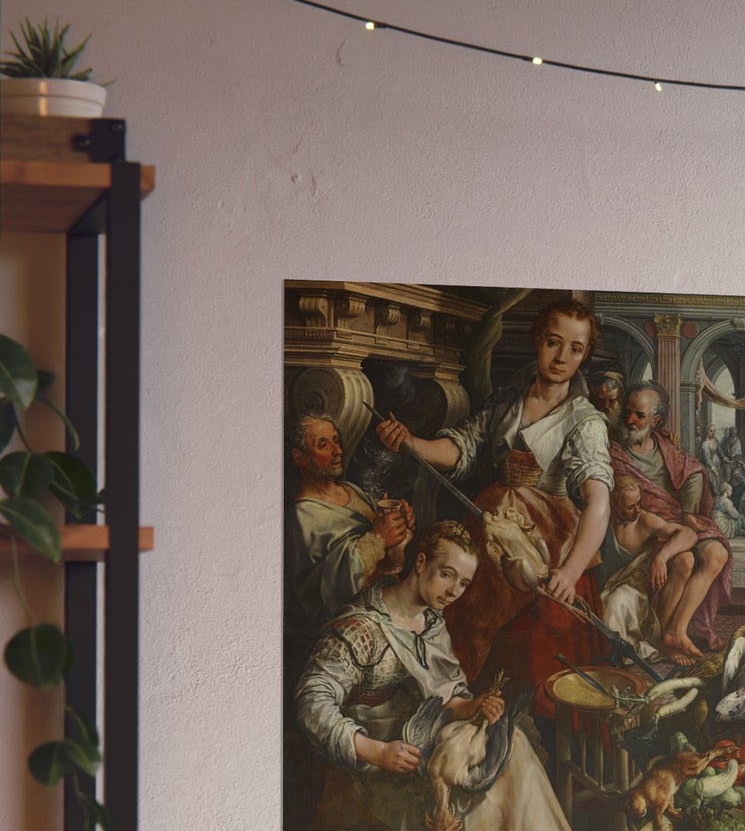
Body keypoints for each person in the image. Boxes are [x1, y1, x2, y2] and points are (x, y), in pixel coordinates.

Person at [295, 521, 597, 831]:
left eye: (464, 583)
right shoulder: (361, 627)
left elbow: (446, 694)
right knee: (446, 783)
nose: (454, 590)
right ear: (420, 562)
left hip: (420, 732)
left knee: (509, 741)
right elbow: (311, 702)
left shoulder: (432, 622)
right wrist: (376, 751)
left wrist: (473, 705)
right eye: (446, 575)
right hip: (372, 755)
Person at [375, 298, 613, 701]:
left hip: (548, 548)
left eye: (575, 349)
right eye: (554, 342)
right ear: (538, 341)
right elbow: (464, 446)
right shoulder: (509, 398)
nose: (561, 357)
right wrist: (411, 443)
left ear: (585, 353)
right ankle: (451, 703)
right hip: (489, 529)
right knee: (458, 613)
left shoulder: (585, 421)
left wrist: (569, 573)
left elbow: (599, 502)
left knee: (532, 653)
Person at [606, 381, 731, 660]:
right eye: (628, 412)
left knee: (716, 553)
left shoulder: (664, 446)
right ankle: (666, 635)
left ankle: (676, 630)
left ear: (656, 420)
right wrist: (662, 553)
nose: (630, 420)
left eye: (640, 415)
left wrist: (688, 511)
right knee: (683, 560)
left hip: (676, 522)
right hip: (644, 529)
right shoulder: (613, 453)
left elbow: (694, 471)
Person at [286, 415, 413, 636]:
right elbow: (320, 594)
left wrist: (402, 521)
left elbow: (385, 534)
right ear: (299, 458)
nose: (338, 451)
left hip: (390, 607)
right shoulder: (303, 516)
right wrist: (378, 539)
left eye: (336, 440)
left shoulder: (351, 489)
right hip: (349, 629)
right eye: (323, 444)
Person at [599, 476, 700, 661]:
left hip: (638, 589)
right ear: (614, 504)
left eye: (639, 503)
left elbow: (690, 534)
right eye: (631, 507)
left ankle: (659, 641)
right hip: (607, 584)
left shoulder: (645, 522)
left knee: (686, 559)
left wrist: (662, 557)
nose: (637, 510)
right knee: (614, 600)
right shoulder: (603, 521)